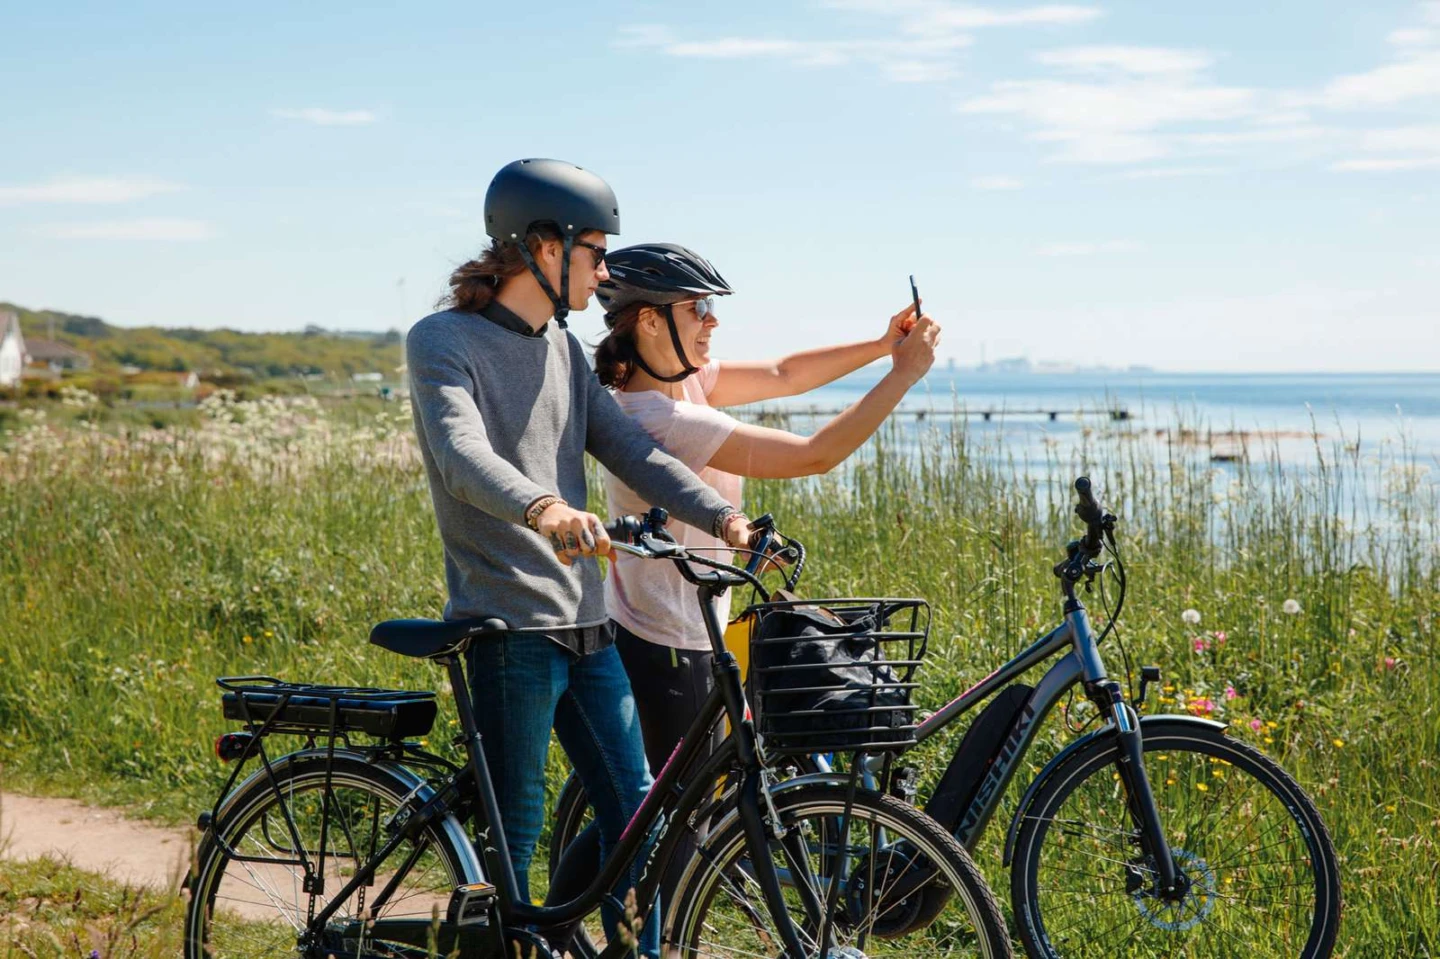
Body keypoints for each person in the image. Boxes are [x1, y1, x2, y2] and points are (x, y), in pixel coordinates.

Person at [405, 162, 752, 958]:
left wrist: (722, 514)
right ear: (540, 246)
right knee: (516, 839)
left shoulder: (563, 348)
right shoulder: (443, 342)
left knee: (642, 822)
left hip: (588, 624)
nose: (604, 273)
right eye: (594, 252)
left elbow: (631, 448)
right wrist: (545, 506)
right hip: (509, 629)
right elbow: (461, 454)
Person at [591, 242, 941, 776]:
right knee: (685, 825)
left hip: (686, 628)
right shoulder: (665, 420)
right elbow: (815, 455)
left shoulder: (682, 383)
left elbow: (783, 374)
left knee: (674, 813)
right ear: (650, 322)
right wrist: (901, 376)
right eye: (696, 309)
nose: (713, 320)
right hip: (668, 643)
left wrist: (880, 345)